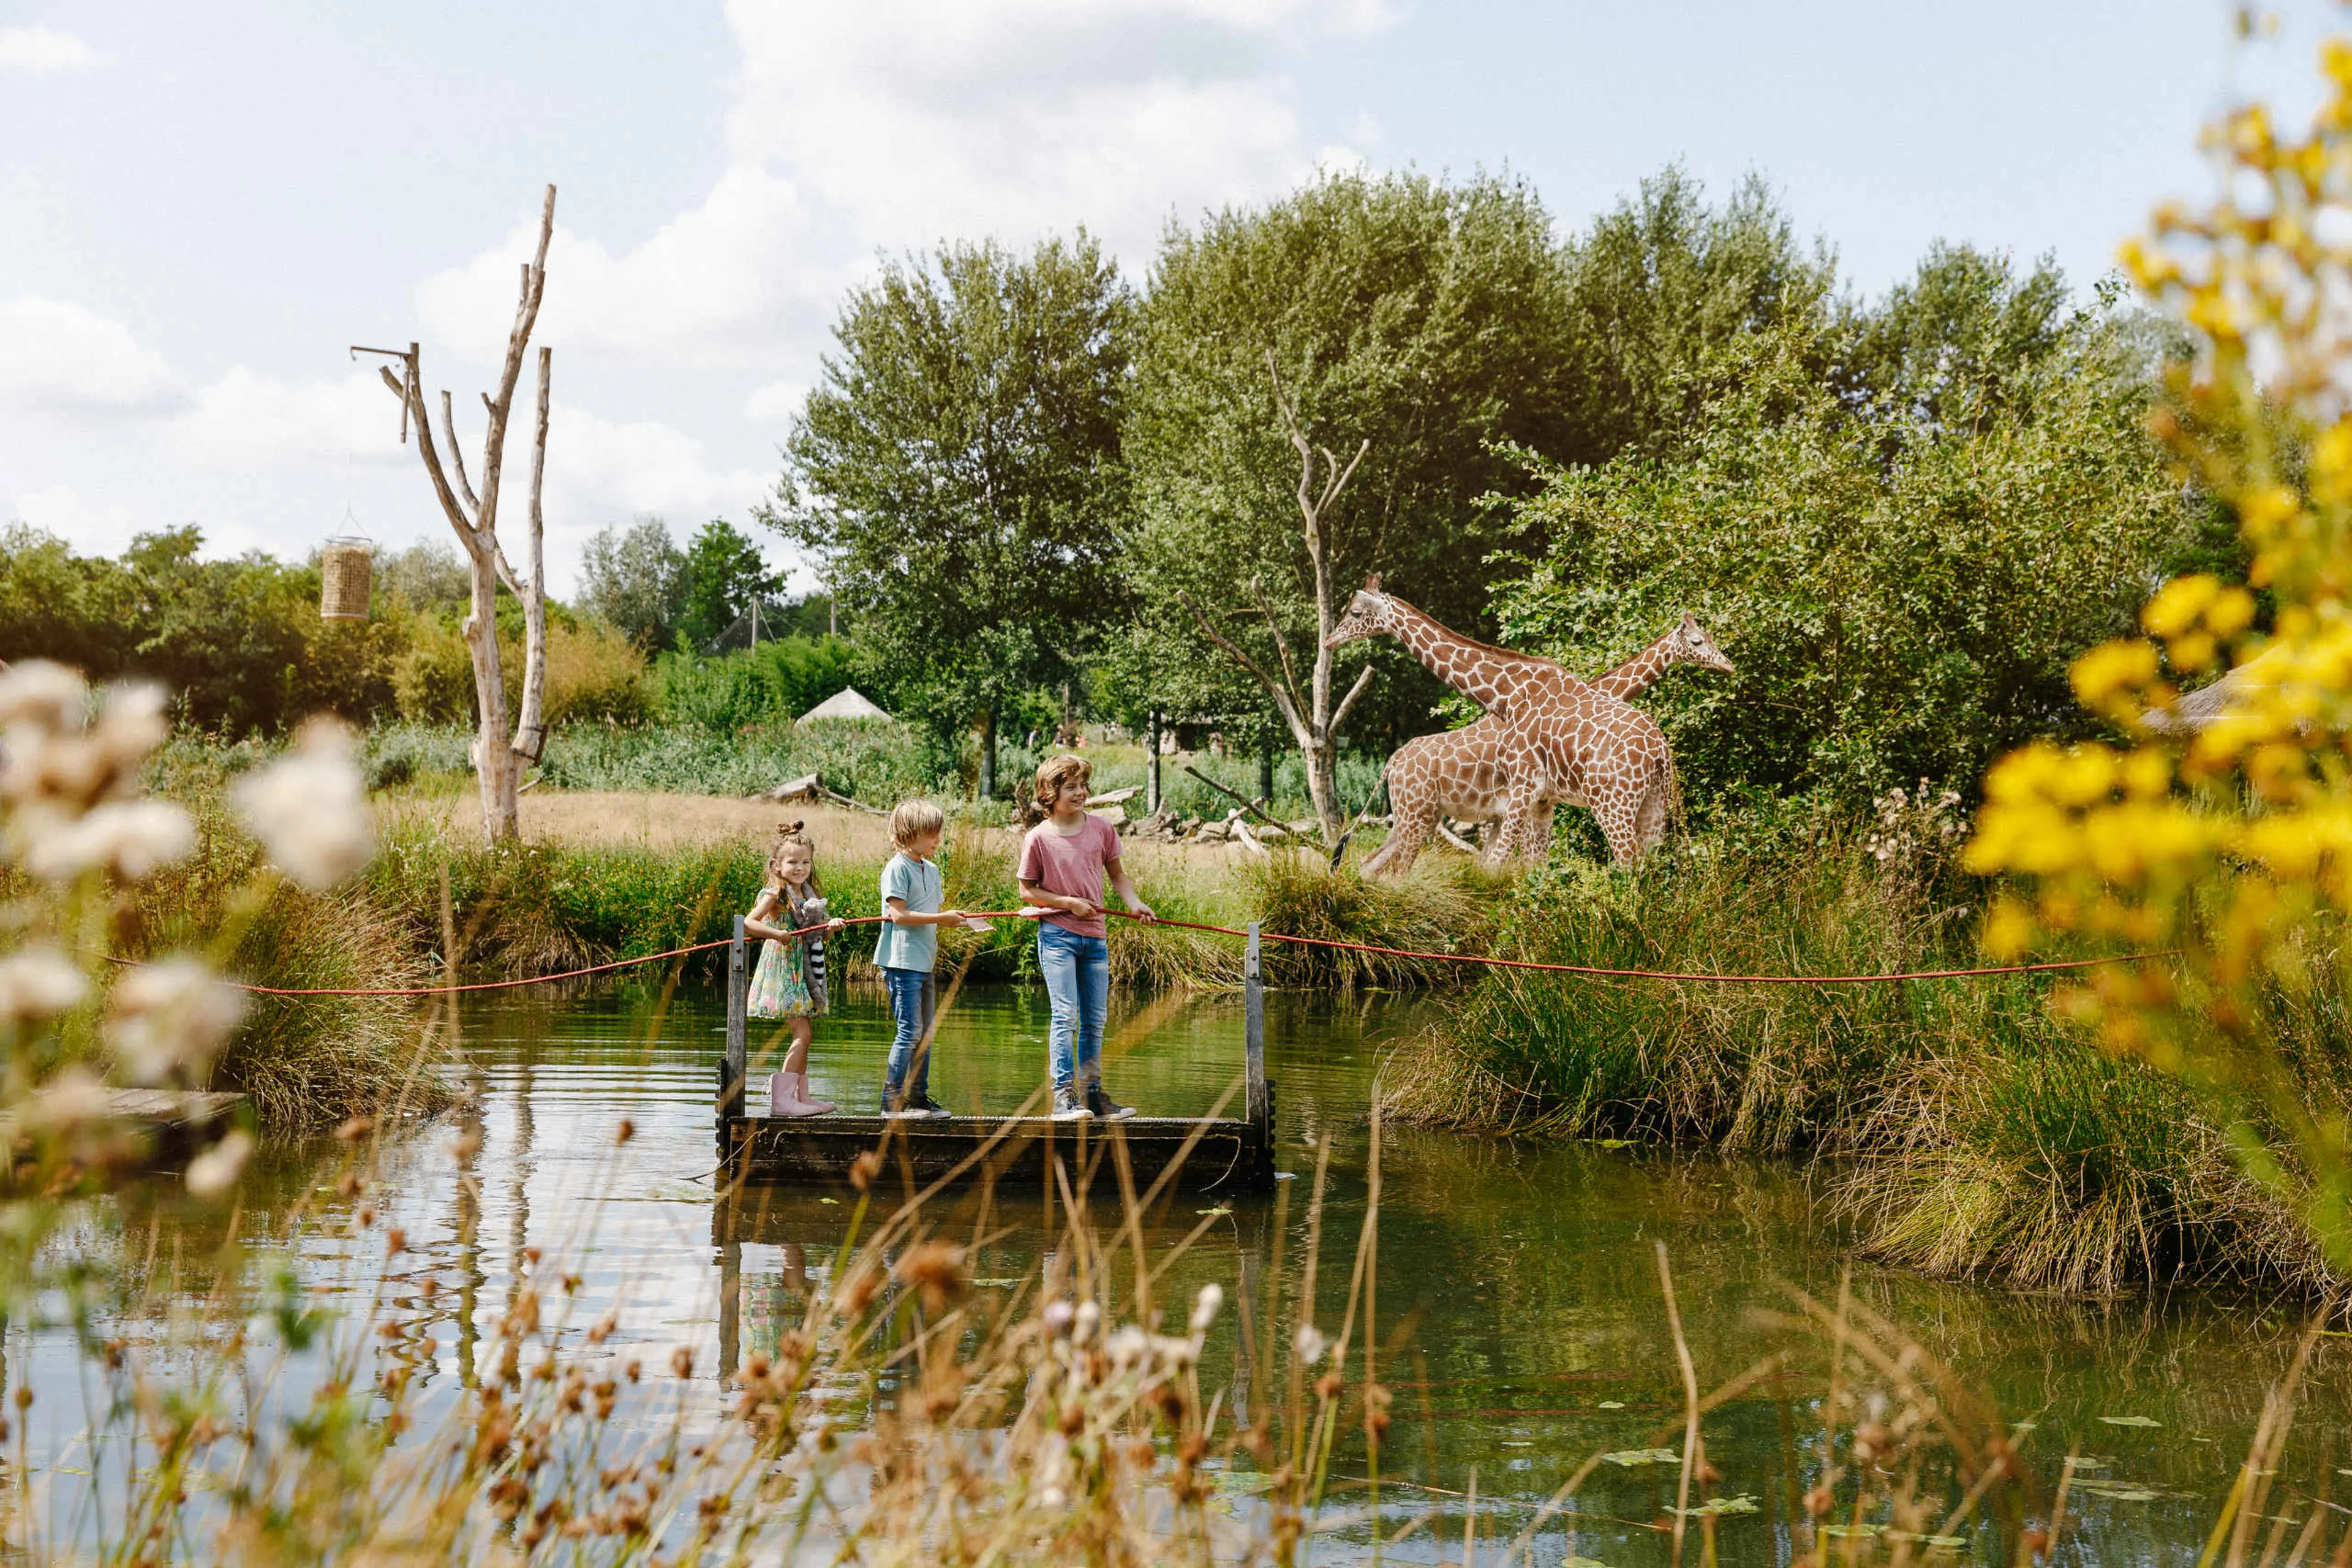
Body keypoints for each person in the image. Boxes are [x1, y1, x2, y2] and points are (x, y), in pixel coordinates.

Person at [1017, 755, 1155, 1120]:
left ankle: (1093, 1097)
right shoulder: (1039, 838)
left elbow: (1118, 877)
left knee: (1095, 1019)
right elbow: (1027, 891)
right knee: (1065, 1016)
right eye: (1071, 787)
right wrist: (1066, 903)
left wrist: (1136, 904)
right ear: (1050, 793)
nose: (1080, 793)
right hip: (1058, 936)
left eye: (1083, 786)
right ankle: (1064, 1098)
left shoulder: (1102, 829)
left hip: (1095, 939)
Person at [744, 821, 846, 1117]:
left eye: (806, 862)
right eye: (793, 862)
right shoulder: (775, 892)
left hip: (804, 972)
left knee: (806, 1033)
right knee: (802, 1033)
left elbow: (818, 933)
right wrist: (778, 934)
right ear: (778, 865)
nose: (800, 867)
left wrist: (831, 927)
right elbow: (750, 923)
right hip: (784, 970)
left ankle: (800, 1097)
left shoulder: (808, 895)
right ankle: (783, 1102)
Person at [876, 799, 965, 1118]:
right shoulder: (897, 868)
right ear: (909, 834)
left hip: (924, 961)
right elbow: (898, 916)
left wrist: (959, 919)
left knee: (925, 1034)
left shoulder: (933, 869)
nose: (937, 840)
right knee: (909, 1032)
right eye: (931, 834)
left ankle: (918, 1098)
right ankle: (891, 1103)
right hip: (901, 962)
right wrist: (942, 919)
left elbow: (932, 913)